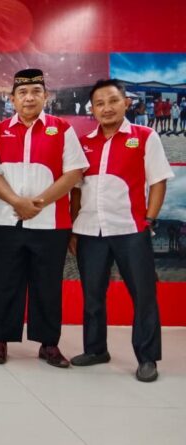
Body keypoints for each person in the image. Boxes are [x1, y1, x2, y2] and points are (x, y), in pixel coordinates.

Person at [70, 79, 173, 382]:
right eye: (99, 103)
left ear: (126, 103)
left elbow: (158, 181)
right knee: (92, 294)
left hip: (130, 229)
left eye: (113, 101)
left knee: (143, 295)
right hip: (90, 230)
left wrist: (149, 220)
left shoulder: (144, 136)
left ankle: (147, 358)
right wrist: (74, 229)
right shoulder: (83, 142)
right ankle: (95, 349)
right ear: (92, 109)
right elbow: (76, 190)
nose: (107, 108)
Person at [0, 69, 89, 368]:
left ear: (46, 96)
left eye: (35, 92)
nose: (29, 98)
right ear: (12, 99)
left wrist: (38, 203)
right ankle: (0, 340)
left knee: (47, 285)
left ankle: (49, 344)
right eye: (22, 93)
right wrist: (18, 202)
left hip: (51, 223)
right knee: (6, 283)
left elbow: (73, 173)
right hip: (7, 222)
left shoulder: (62, 129)